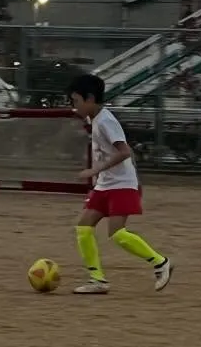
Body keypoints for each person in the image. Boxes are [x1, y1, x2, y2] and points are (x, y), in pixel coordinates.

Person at [67, 73, 172, 295]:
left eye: (76, 101)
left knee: (117, 234)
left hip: (121, 184)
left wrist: (95, 169)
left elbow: (124, 152)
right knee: (83, 228)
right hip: (106, 184)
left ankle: (161, 262)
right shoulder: (94, 118)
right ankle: (97, 280)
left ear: (90, 99)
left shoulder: (105, 120)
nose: (74, 107)